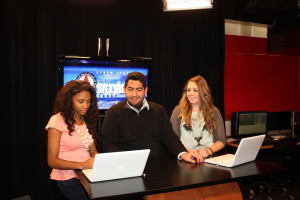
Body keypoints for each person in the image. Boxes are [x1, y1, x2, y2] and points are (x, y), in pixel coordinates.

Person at [102, 72, 202, 163]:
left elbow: (170, 138)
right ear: (124, 89)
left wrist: (183, 154)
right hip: (126, 166)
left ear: (145, 90)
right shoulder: (114, 112)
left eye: (139, 90)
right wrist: (124, 162)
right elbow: (108, 144)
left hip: (156, 166)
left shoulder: (158, 110)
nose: (134, 94)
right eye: (130, 89)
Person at [46, 80, 99, 200]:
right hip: (67, 178)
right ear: (69, 101)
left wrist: (102, 161)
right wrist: (82, 165)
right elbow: (52, 161)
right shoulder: (57, 120)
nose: (86, 106)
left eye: (88, 101)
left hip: (87, 174)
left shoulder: (86, 119)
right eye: (80, 101)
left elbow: (93, 152)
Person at [170, 75, 226, 158]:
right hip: (187, 159)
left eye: (195, 90)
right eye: (188, 90)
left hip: (209, 160)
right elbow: (172, 140)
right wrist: (187, 152)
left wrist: (208, 151)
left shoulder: (214, 111)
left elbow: (221, 141)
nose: (191, 93)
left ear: (203, 92)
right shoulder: (178, 111)